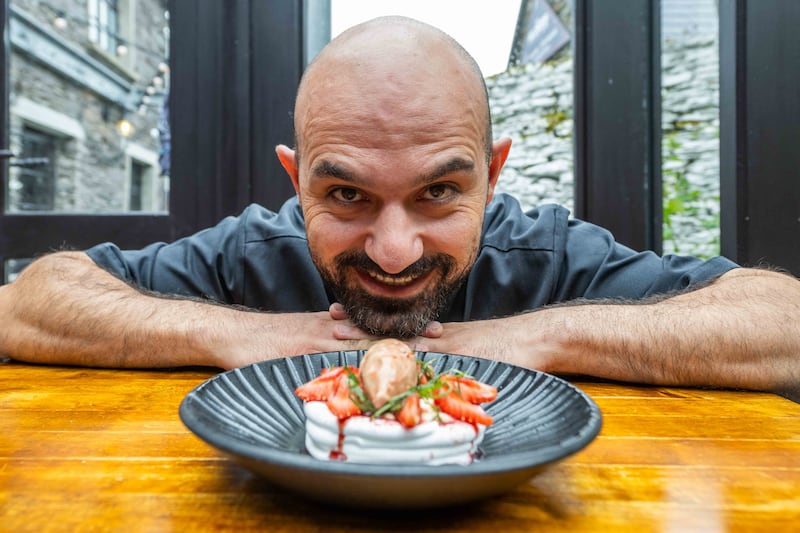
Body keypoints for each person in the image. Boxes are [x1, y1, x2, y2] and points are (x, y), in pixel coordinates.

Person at [1, 16, 798, 397]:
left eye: (440, 192)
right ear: (295, 179)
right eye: (346, 194)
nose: (392, 249)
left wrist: (549, 333)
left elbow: (784, 321)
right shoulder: (250, 253)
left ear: (493, 175)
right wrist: (232, 330)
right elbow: (24, 306)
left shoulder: (546, 257)